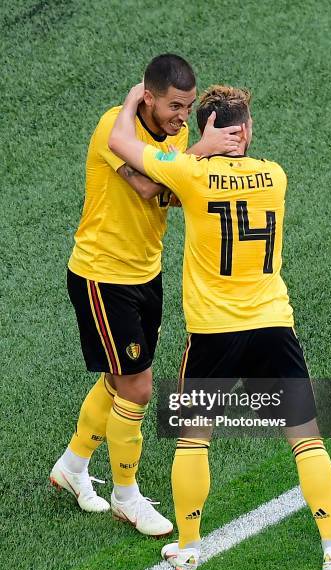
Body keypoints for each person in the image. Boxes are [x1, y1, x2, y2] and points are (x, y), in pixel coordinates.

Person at [108, 83, 331, 570]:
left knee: (194, 438)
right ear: (246, 130)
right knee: (307, 440)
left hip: (213, 332)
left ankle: (187, 545)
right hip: (273, 323)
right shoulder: (274, 175)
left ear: (206, 128)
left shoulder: (190, 173)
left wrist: (131, 103)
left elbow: (121, 145)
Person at [50, 54, 241, 537]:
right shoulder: (112, 128)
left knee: (120, 380)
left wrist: (198, 162)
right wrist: (200, 153)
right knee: (137, 386)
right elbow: (147, 187)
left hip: (145, 273)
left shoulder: (173, 137)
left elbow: (172, 193)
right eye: (175, 106)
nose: (182, 115)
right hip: (102, 276)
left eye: (189, 106)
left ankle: (72, 466)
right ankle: (125, 496)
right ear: (148, 98)